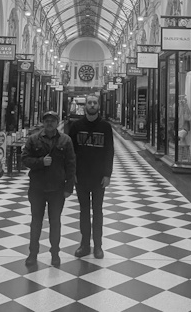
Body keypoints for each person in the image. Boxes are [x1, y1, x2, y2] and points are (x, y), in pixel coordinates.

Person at [21, 110, 76, 267]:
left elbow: (71, 165)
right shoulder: (33, 139)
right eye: (47, 120)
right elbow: (24, 158)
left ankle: (55, 253)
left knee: (55, 222)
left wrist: (69, 187)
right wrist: (40, 162)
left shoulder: (65, 141)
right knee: (36, 221)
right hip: (37, 188)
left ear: (57, 122)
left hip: (57, 189)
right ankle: (33, 253)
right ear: (43, 122)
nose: (49, 123)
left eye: (52, 120)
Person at [69, 94, 115, 259]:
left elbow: (109, 151)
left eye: (95, 102)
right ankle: (84, 244)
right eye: (90, 102)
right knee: (83, 211)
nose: (93, 105)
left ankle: (98, 246)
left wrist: (107, 174)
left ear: (98, 105)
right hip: (81, 176)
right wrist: (72, 172)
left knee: (98, 212)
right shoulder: (75, 126)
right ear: (85, 105)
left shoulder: (105, 127)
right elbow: (70, 151)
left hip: (98, 177)